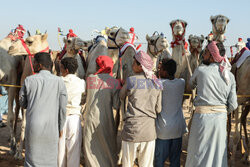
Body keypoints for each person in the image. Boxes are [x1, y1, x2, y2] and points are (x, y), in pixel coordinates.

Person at [185, 41, 238, 167]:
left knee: (198, 154)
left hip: (202, 120)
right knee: (217, 155)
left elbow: (190, 85)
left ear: (213, 55)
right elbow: (233, 105)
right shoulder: (229, 75)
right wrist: (220, 112)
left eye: (206, 52)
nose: (203, 55)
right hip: (220, 121)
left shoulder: (201, 70)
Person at [19, 52, 67, 167]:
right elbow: (62, 109)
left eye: (34, 62)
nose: (33, 65)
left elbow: (22, 102)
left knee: (31, 160)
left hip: (33, 127)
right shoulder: (59, 81)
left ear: (39, 65)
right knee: (50, 160)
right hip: (52, 128)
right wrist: (60, 128)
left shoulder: (28, 80)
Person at [120, 51, 162, 167]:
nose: (132, 65)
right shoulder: (157, 83)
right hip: (149, 131)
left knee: (127, 163)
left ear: (140, 66)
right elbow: (158, 109)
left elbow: (121, 96)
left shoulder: (131, 80)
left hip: (131, 130)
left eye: (134, 63)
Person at [83, 55, 120, 167]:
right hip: (106, 120)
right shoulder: (114, 82)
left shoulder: (89, 79)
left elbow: (83, 99)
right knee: (108, 148)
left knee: (90, 148)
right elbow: (116, 105)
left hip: (90, 117)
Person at [154, 59, 187, 167]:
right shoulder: (181, 82)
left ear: (165, 72)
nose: (159, 71)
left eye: (161, 69)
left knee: (159, 161)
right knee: (175, 160)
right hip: (177, 129)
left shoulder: (159, 84)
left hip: (163, 131)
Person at [58, 57, 85, 167]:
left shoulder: (58, 81)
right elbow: (83, 98)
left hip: (60, 117)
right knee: (74, 149)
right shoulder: (81, 82)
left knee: (60, 150)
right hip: (74, 118)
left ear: (66, 70)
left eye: (61, 68)